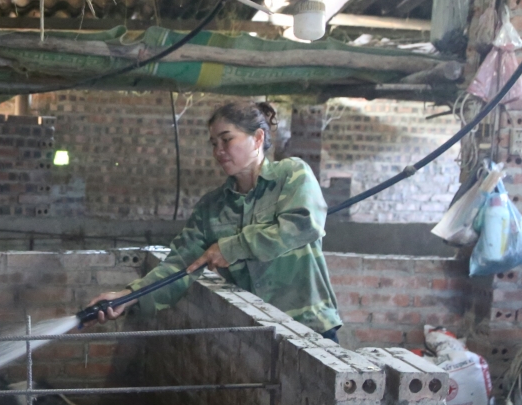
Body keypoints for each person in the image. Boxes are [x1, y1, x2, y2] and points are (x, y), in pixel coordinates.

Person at [86, 101, 342, 341]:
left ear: (258, 138)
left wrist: (229, 248)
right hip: (260, 335)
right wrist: (129, 296)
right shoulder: (212, 208)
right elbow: (180, 266)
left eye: (227, 140)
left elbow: (302, 226)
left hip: (310, 327)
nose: (218, 151)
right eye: (213, 143)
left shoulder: (291, 174)